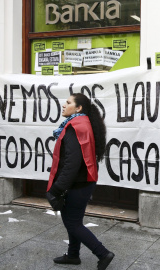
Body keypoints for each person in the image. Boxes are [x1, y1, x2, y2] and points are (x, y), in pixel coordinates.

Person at [47, 93, 114, 270]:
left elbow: (72, 163)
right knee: (73, 220)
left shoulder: (74, 127)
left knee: (72, 222)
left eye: (68, 102)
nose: (64, 105)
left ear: (78, 108)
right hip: (83, 182)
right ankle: (73, 255)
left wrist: (56, 189)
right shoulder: (83, 124)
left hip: (79, 184)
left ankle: (103, 253)